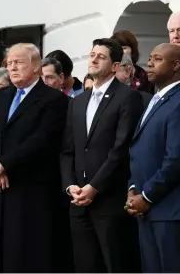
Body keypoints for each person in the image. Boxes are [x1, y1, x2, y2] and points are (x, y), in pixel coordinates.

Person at [0, 43, 69, 272]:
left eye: (19, 62)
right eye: (9, 62)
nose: (12, 67)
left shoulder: (53, 99)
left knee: (23, 258)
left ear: (36, 67)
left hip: (27, 192)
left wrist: (5, 165)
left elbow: (43, 140)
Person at [59, 38, 143, 272]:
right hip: (78, 202)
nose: (93, 59)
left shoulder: (127, 97)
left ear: (115, 66)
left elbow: (121, 148)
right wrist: (70, 186)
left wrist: (94, 187)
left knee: (115, 265)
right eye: (92, 54)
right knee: (85, 265)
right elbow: (67, 150)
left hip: (109, 202)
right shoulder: (78, 101)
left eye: (101, 56)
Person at [126, 43, 180, 272]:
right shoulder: (154, 100)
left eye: (157, 59)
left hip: (171, 213)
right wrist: (133, 188)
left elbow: (178, 160)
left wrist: (147, 196)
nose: (149, 63)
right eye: (149, 58)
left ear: (176, 65)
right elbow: (141, 151)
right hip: (147, 211)